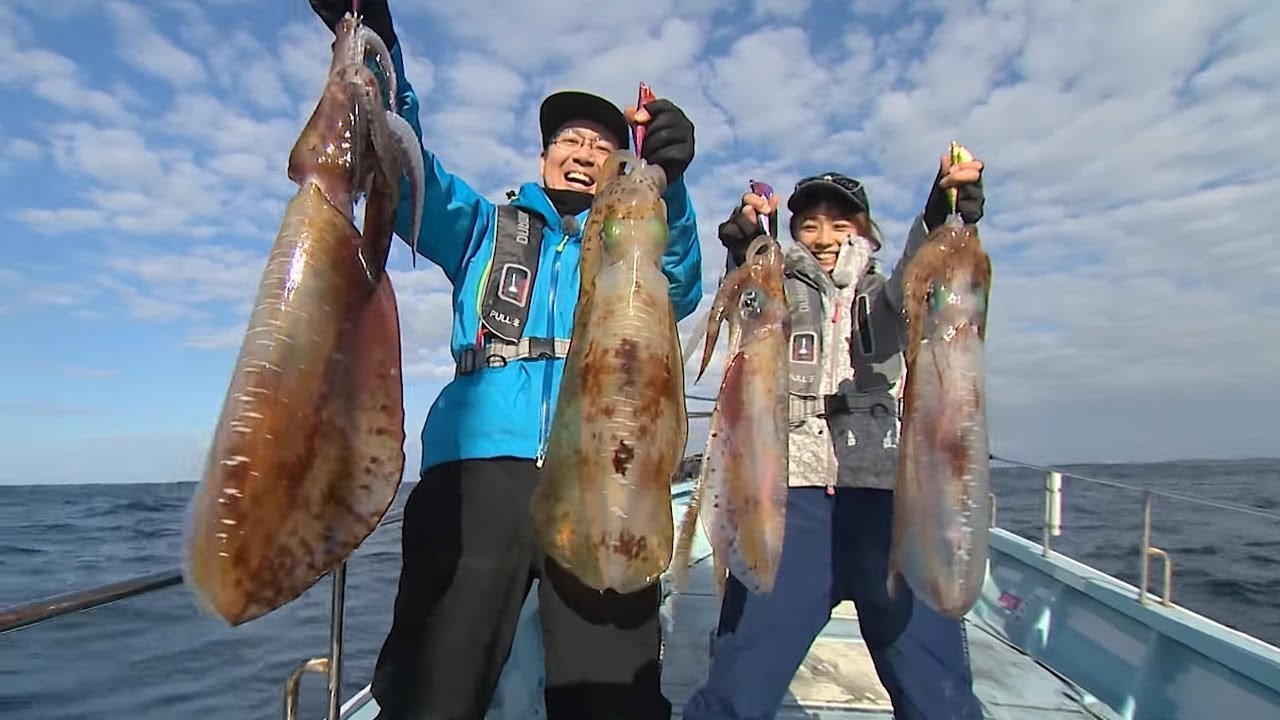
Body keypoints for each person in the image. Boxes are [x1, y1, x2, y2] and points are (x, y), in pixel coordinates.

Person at [307, 2, 702, 718]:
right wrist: (379, 52)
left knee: (613, 681)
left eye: (601, 146)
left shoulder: (632, 235)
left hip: (603, 473)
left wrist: (671, 189)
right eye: (568, 141)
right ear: (544, 157)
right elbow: (402, 162)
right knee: (436, 678)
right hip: (479, 474)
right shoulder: (484, 227)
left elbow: (678, 286)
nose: (582, 153)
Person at [680, 152, 988, 720]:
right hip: (789, 502)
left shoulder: (890, 295)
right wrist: (745, 251)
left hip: (888, 505)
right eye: (809, 224)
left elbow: (924, 272)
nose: (823, 237)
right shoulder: (778, 289)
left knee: (935, 688)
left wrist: (942, 217)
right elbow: (748, 316)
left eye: (840, 224)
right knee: (739, 685)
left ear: (864, 231)